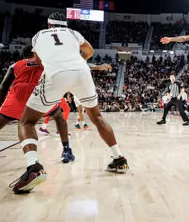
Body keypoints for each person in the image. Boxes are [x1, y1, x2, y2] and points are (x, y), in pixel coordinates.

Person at [10, 12, 129, 194]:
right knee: (96, 117)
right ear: (64, 25)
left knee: (27, 121)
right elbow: (89, 51)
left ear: (49, 25)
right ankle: (119, 159)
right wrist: (76, 62)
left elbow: (40, 62)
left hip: (56, 74)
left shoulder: (39, 35)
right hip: (82, 72)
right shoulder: (73, 33)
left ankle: (33, 167)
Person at [0, 45, 74, 164]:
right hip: (38, 97)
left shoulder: (15, 65)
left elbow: (3, 86)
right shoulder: (46, 63)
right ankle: (66, 150)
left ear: (23, 56)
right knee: (59, 117)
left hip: (17, 99)